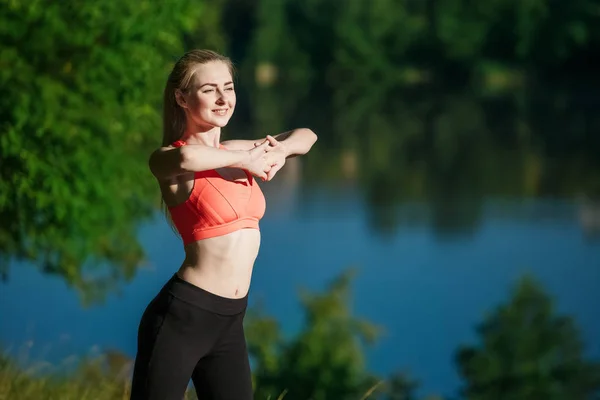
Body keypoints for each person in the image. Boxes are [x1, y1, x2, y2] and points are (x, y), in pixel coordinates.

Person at [129, 49, 317, 400]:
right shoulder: (169, 159)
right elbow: (190, 157)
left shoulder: (234, 150)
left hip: (229, 321)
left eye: (228, 88)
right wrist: (248, 158)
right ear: (181, 98)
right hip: (182, 317)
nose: (222, 99)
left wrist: (278, 151)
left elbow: (307, 136)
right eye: (209, 89)